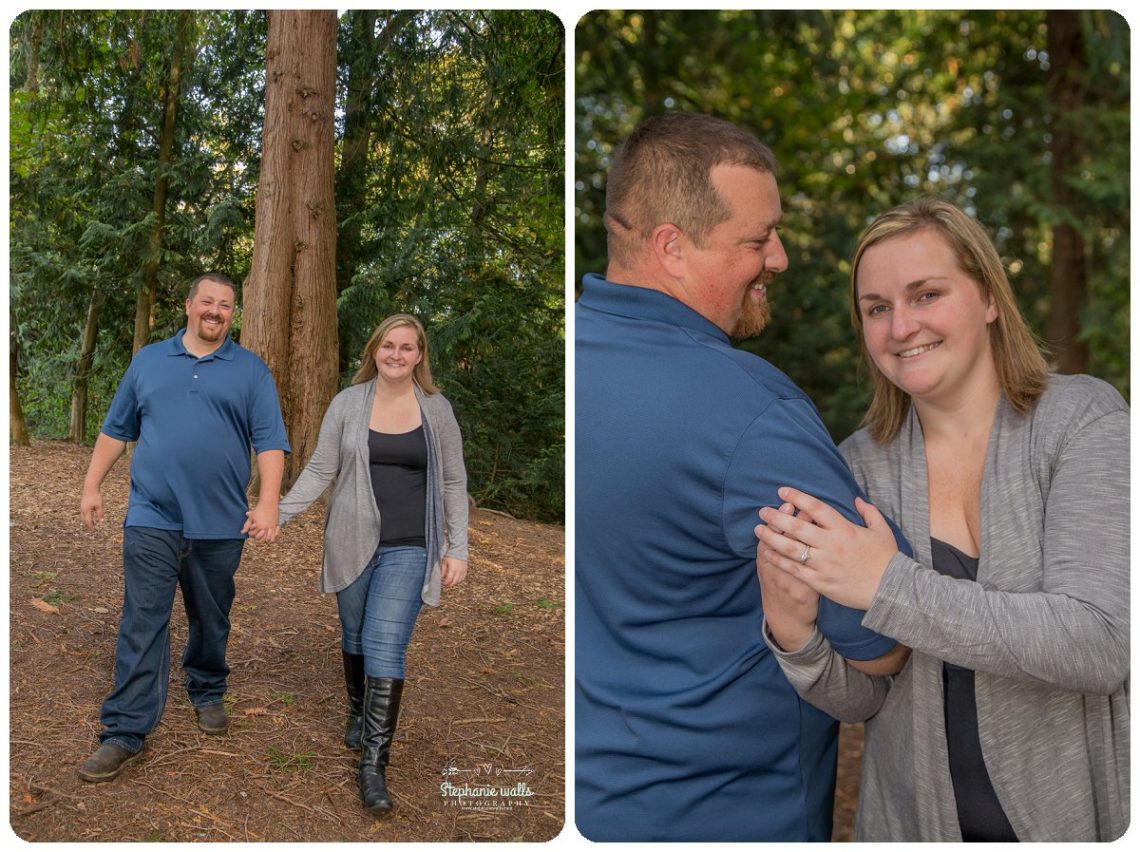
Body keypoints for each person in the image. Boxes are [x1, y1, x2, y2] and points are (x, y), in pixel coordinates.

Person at [574, 112, 911, 842]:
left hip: (596, 799)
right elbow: (883, 636)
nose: (780, 257)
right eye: (758, 239)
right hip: (725, 812)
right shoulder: (749, 413)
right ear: (672, 247)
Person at [755, 197, 1129, 841]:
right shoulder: (856, 468)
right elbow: (868, 696)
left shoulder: (1083, 422)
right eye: (877, 308)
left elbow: (1099, 644)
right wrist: (795, 635)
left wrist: (886, 585)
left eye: (925, 295)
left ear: (988, 297)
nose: (901, 327)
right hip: (913, 825)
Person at [78, 272, 290, 783]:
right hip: (152, 516)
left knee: (211, 617)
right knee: (142, 619)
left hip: (219, 524)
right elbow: (116, 429)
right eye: (208, 301)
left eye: (226, 305)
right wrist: (91, 486)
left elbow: (269, 442)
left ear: (232, 314)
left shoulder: (251, 371)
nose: (216, 311)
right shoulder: (149, 360)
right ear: (189, 305)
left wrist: (267, 503)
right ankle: (125, 730)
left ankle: (208, 687)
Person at [254, 314, 469, 816]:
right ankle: (356, 709)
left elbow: (454, 482)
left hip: (411, 546)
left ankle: (373, 764)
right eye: (388, 346)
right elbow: (321, 469)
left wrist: (456, 547)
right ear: (374, 350)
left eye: (407, 348)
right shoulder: (348, 404)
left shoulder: (436, 409)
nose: (396, 355)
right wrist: (276, 514)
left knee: (383, 644)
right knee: (353, 635)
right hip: (350, 542)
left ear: (420, 355)